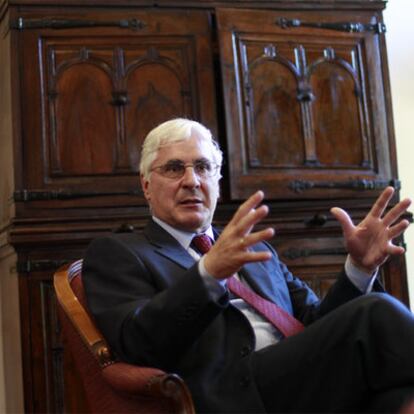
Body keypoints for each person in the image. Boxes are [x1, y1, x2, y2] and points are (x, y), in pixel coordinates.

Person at [83, 118, 414, 413]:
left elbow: (317, 324)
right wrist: (208, 274)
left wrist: (358, 268)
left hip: (301, 381)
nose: (191, 181)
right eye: (173, 168)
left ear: (217, 180)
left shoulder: (254, 247)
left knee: (397, 394)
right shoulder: (119, 253)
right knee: (376, 313)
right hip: (233, 395)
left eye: (202, 167)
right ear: (146, 186)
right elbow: (139, 343)